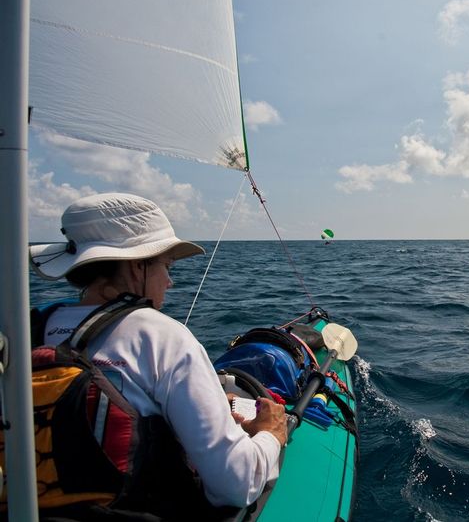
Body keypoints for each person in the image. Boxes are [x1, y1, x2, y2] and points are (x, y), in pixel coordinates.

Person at [29, 192, 287, 510]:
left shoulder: (30, 327)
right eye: (167, 266)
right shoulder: (163, 337)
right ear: (139, 267)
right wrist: (270, 433)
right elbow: (235, 484)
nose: (169, 282)